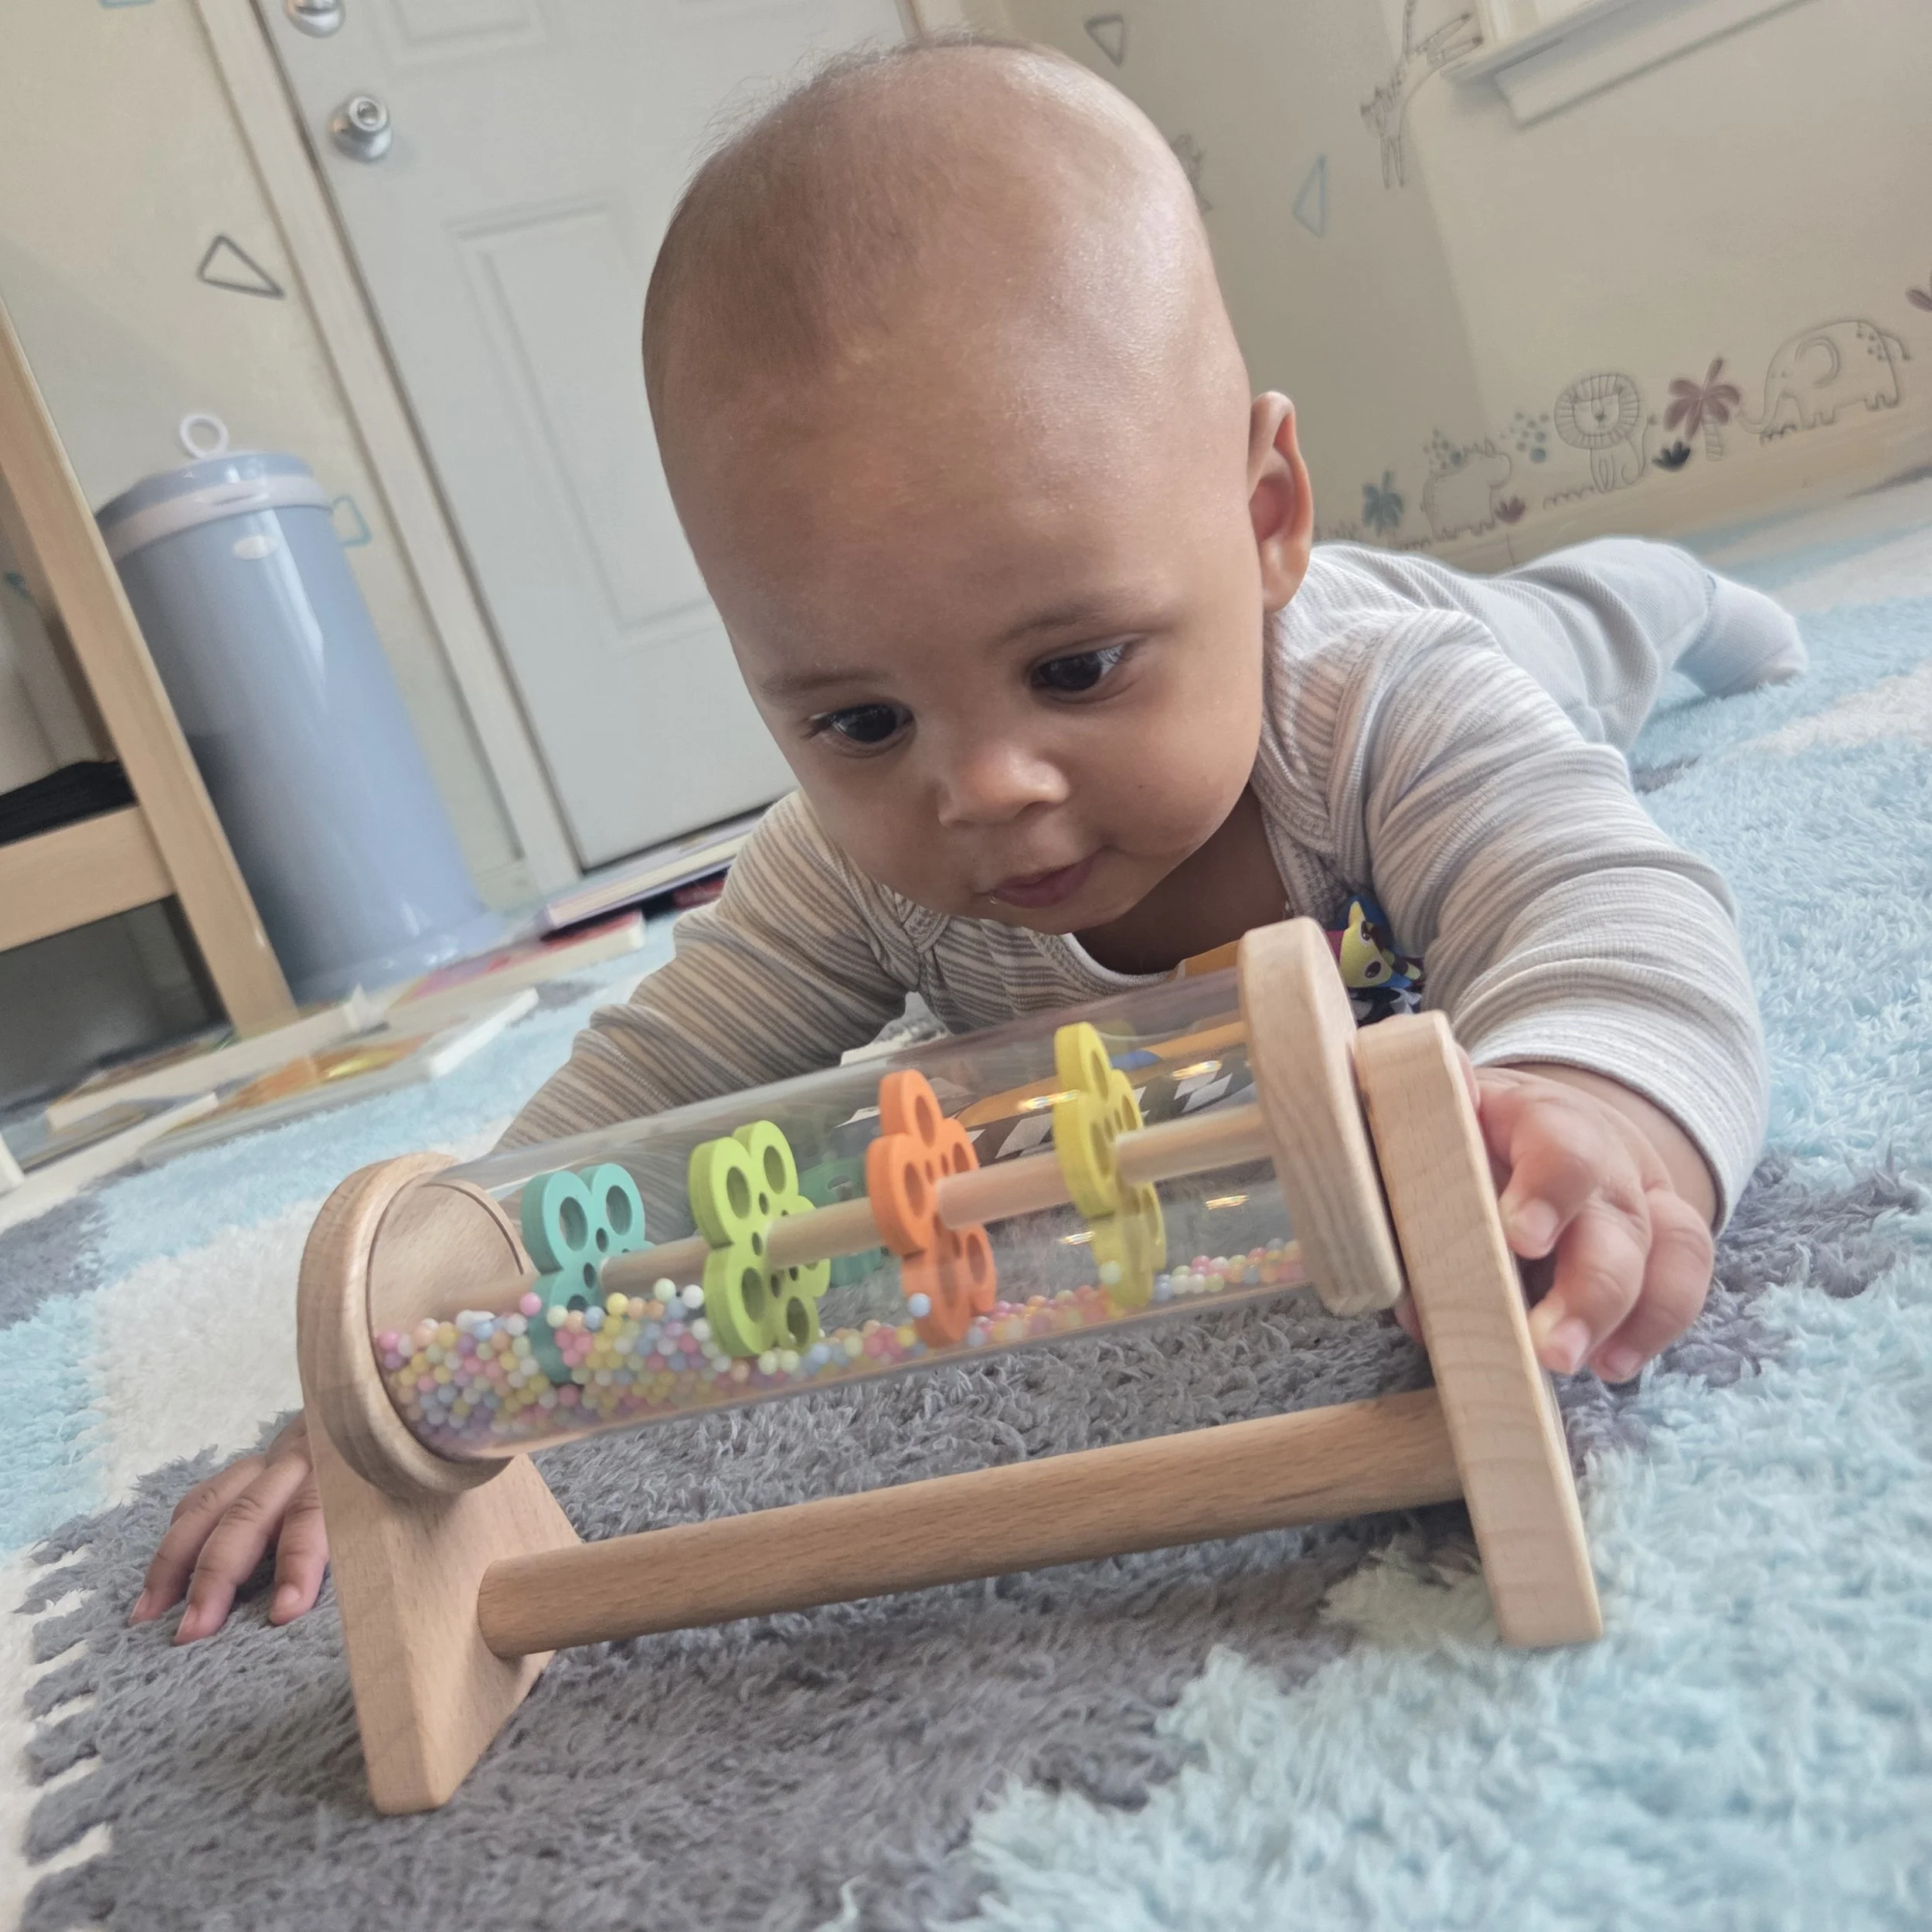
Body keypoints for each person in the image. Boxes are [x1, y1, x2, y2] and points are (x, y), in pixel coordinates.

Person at [133, 35, 1802, 1644]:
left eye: (1072, 666)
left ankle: (1676, 581)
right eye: (856, 718)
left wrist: (1600, 1104)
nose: (979, 786)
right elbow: (631, 1105)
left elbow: (1603, 911)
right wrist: (390, 1362)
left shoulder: (1384, 708)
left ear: (1261, 515)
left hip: (1451, 632)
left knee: (1585, 632)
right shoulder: (851, 859)